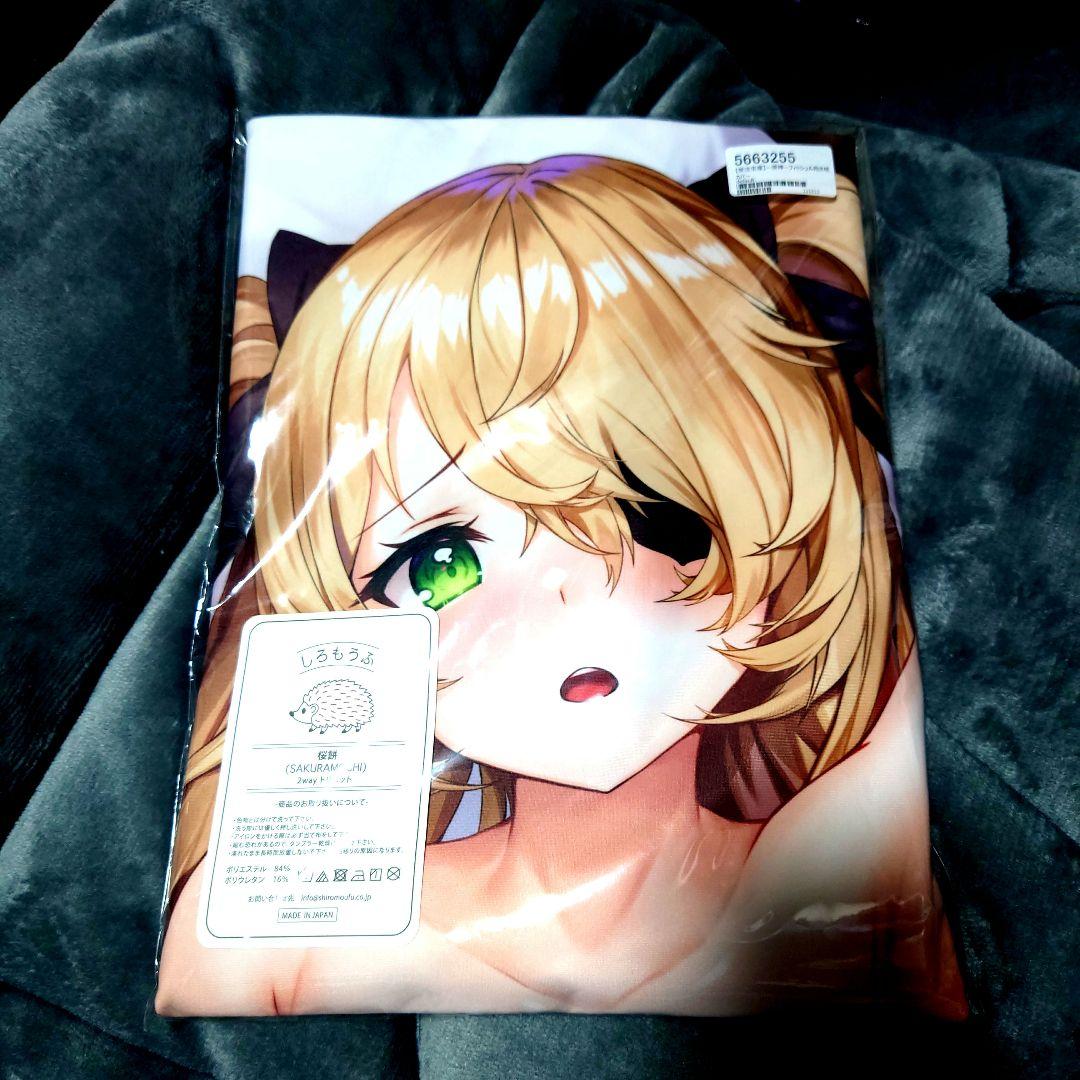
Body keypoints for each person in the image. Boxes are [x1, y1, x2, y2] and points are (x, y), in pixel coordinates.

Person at [157, 155, 962, 1016]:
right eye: (438, 562)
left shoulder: (837, 875)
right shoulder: (278, 937)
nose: (569, 600)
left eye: (654, 508)